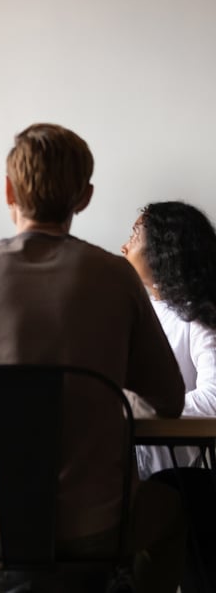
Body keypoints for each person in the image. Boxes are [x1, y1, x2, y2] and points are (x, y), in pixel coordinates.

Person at [0, 123, 187, 593]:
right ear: (85, 196)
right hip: (99, 524)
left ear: (9, 189)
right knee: (172, 511)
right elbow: (169, 399)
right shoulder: (117, 277)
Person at [121, 201, 216, 478]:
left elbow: (213, 398)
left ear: (165, 249)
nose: (124, 247)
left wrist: (138, 410)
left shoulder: (197, 316)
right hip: (130, 475)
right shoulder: (139, 312)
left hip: (176, 482)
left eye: (135, 235)